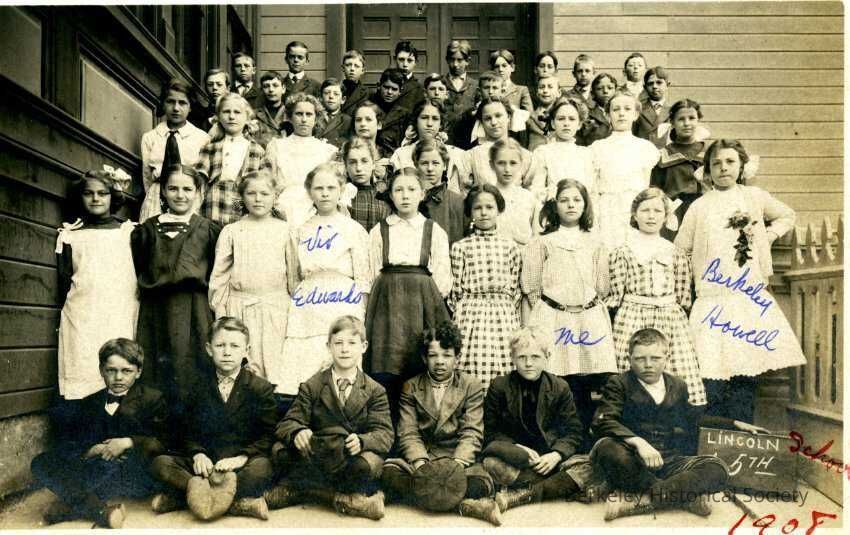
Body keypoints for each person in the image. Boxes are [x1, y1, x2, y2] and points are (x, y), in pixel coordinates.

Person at [674, 139, 805, 422]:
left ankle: (744, 433)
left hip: (746, 298)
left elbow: (787, 215)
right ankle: (716, 436)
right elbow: (681, 248)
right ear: (708, 170)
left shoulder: (754, 197)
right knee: (711, 375)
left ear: (742, 166)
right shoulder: (699, 206)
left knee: (745, 374)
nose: (723, 168)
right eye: (716, 163)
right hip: (712, 298)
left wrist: (768, 236)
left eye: (730, 162)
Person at [590, 328, 769, 521]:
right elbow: (603, 420)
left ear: (667, 358)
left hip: (668, 461)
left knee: (717, 468)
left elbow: (692, 418)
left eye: (655, 358)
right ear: (629, 359)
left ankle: (642, 498)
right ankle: (683, 496)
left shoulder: (677, 385)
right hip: (633, 459)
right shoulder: (619, 383)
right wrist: (638, 442)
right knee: (607, 449)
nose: (648, 365)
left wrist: (735, 423)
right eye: (640, 359)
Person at [265, 316, 393, 520]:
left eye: (352, 343)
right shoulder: (313, 385)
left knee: (364, 466)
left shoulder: (374, 390)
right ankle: (347, 500)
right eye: (338, 343)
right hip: (321, 454)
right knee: (280, 452)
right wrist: (298, 431)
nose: (345, 349)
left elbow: (385, 433)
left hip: (350, 457)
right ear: (329, 347)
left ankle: (302, 491)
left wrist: (362, 441)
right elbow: (287, 422)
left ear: (364, 347)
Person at [149, 317, 277, 521]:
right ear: (209, 349)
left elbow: (267, 435)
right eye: (220, 345)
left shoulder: (260, 388)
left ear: (246, 350)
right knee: (160, 463)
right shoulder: (194, 386)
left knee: (263, 468)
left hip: (239, 466)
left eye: (234, 346)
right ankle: (237, 504)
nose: (227, 352)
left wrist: (241, 458)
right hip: (203, 466)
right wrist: (197, 453)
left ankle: (185, 499)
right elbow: (185, 430)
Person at [31, 338, 166, 529]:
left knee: (86, 478)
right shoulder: (91, 402)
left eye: (126, 371)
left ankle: (72, 506)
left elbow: (163, 441)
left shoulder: (152, 398)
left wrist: (128, 442)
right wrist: (91, 450)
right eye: (111, 370)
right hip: (98, 469)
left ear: (138, 372)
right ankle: (101, 511)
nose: (118, 377)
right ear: (102, 370)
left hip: (132, 471)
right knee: (41, 462)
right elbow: (75, 442)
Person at [522, 179, 617, 440]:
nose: (570, 205)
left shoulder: (596, 243)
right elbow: (531, 285)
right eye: (564, 200)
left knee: (586, 378)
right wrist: (549, 312)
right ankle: (558, 438)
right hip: (554, 317)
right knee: (558, 379)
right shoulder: (542, 243)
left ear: (585, 205)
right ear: (555, 206)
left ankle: (583, 438)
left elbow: (603, 286)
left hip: (588, 317)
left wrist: (583, 307)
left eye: (576, 200)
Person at [382, 321, 501, 526]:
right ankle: (465, 506)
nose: (439, 362)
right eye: (433, 355)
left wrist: (455, 467)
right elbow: (408, 432)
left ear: (457, 358)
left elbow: (472, 432)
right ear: (424, 358)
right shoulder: (411, 386)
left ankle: (428, 497)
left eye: (446, 355)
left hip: (456, 459)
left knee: (480, 483)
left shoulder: (470, 385)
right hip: (425, 457)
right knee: (388, 474)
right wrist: (421, 465)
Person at [279, 162, 371, 404]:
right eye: (319, 188)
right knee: (306, 362)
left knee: (341, 353)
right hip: (308, 303)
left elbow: (363, 277)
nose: (325, 193)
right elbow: (294, 276)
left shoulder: (353, 229)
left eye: (331, 188)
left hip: (342, 299)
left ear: (341, 190)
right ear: (310, 192)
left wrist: (360, 312)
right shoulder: (300, 230)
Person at [131, 165, 221, 411]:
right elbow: (138, 267)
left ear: (198, 192)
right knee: (155, 367)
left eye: (187, 189)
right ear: (162, 191)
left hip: (194, 309)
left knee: (192, 366)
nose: (180, 195)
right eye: (173, 188)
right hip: (156, 309)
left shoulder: (208, 230)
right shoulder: (146, 230)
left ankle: (191, 428)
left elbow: (217, 272)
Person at [364, 168, 452, 420]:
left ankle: (418, 425)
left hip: (422, 303)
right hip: (387, 303)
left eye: (411, 189)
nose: (405, 195)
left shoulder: (433, 230)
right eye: (399, 190)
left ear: (422, 194)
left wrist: (427, 302)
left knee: (419, 362)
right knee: (387, 364)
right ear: (390, 195)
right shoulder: (379, 230)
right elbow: (371, 272)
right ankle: (387, 425)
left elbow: (442, 277)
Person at [608, 188, 706, 406]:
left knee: (675, 365)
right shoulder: (623, 251)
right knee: (633, 364)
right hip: (633, 316)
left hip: (669, 318)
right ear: (634, 215)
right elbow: (615, 296)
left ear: (666, 216)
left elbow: (682, 295)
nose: (651, 216)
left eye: (657, 211)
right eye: (645, 210)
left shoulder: (675, 252)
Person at [482, 326, 590, 514]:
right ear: (512, 358)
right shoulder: (500, 386)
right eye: (522, 357)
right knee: (491, 463)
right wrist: (516, 447)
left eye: (535, 357)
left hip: (551, 459)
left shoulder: (560, 387)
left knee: (590, 465)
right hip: (518, 460)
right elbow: (491, 431)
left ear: (547, 357)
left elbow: (573, 432)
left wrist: (556, 454)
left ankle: (524, 493)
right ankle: (555, 487)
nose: (528, 363)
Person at [55, 169, 139, 402]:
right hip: (82, 313)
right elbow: (64, 279)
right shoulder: (71, 235)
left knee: (118, 361)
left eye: (102, 193)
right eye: (88, 193)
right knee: (84, 363)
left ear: (113, 196)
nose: (95, 198)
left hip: (118, 310)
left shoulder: (128, 232)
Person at [208, 171, 293, 387]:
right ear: (242, 197)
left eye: (264, 193)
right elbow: (220, 276)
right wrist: (221, 312)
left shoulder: (285, 230)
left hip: (276, 308)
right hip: (240, 307)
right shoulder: (232, 231)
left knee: (274, 365)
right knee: (242, 366)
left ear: (275, 196)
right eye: (251, 193)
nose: (258, 199)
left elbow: (294, 275)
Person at [450, 185, 522, 390]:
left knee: (505, 364)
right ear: (470, 212)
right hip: (471, 314)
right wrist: (465, 312)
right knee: (471, 365)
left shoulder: (510, 246)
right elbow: (455, 290)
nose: (483, 213)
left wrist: (506, 309)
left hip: (503, 314)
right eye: (477, 208)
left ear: (499, 210)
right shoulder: (461, 247)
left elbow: (515, 287)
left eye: (489, 207)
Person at [591, 91, 661, 250]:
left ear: (635, 114)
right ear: (608, 115)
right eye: (616, 109)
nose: (621, 113)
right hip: (607, 210)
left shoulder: (645, 148)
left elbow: (646, 186)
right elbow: (594, 189)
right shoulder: (598, 148)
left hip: (635, 210)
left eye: (627, 109)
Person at [140, 79, 210, 222]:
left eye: (182, 103)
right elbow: (147, 177)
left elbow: (203, 180)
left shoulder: (202, 138)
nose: (176, 108)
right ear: (163, 104)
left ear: (190, 107)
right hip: (156, 198)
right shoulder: (150, 137)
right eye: (170, 102)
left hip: (189, 199)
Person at [264, 93, 338, 228]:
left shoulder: (327, 150)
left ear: (316, 118)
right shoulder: (277, 146)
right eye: (299, 114)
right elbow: (269, 183)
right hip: (282, 208)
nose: (304, 119)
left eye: (309, 114)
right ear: (290, 117)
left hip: (315, 209)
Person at [196, 93, 266, 226]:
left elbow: (262, 185)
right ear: (218, 116)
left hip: (241, 204)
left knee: (238, 233)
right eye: (226, 111)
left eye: (237, 112)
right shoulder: (210, 148)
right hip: (213, 204)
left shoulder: (257, 151)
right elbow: (199, 183)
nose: (231, 116)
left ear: (247, 118)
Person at [650, 99, 711, 241]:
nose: (687, 123)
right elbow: (655, 190)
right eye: (681, 119)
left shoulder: (709, 152)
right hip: (674, 214)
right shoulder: (662, 155)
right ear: (672, 122)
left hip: (703, 211)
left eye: (692, 118)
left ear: (698, 120)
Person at [390, 99, 470, 194]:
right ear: (416, 121)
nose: (429, 124)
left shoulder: (456, 154)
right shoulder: (401, 154)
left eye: (435, 119)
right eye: (424, 118)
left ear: (441, 124)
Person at [465, 97, 539, 195]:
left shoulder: (526, 156)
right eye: (488, 118)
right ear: (482, 122)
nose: (494, 122)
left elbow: (533, 193)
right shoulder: (472, 156)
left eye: (498, 116)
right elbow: (464, 192)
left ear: (508, 117)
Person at [534, 97, 594, 200]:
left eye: (572, 119)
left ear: (579, 124)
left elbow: (591, 190)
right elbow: (536, 189)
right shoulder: (543, 152)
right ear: (553, 123)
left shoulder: (586, 153)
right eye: (561, 119)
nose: (566, 123)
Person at [414, 138, 468, 246]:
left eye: (435, 163)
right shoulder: (409, 200)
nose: (430, 168)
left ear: (444, 166)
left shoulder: (457, 202)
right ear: (416, 165)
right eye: (424, 163)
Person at [489, 138, 542, 248]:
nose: (507, 169)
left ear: (521, 164)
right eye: (501, 163)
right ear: (492, 165)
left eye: (513, 163)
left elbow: (536, 237)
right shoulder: (486, 196)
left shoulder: (528, 198)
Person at [343, 137, 392, 231]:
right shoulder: (341, 198)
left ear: (373, 164)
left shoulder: (384, 198)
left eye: (364, 161)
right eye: (352, 162)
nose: (359, 168)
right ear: (346, 166)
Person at [443, 39, 478, 141]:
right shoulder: (440, 84)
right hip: (445, 139)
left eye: (459, 60)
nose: (455, 64)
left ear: (467, 61)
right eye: (452, 60)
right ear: (447, 60)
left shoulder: (476, 86)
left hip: (468, 139)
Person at [370, 68, 411, 152]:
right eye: (386, 87)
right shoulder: (368, 109)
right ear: (379, 86)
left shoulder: (405, 114)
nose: (389, 92)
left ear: (400, 91)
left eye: (394, 89)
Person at [634, 66, 672, 148]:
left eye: (659, 82)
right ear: (645, 87)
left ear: (667, 85)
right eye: (650, 83)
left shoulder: (673, 110)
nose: (654, 86)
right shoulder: (637, 109)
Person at [577, 73, 617, 146]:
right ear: (592, 94)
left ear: (616, 91)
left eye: (610, 88)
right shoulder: (586, 115)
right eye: (600, 88)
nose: (605, 91)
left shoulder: (623, 113)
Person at [254, 71, 289, 148]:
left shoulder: (291, 114)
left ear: (283, 89)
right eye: (266, 86)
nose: (271, 90)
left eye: (275, 85)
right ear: (262, 90)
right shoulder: (254, 115)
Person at [526, 73, 561, 151]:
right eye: (541, 87)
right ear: (537, 93)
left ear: (559, 92)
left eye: (550, 87)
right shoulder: (529, 118)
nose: (545, 91)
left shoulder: (563, 117)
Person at [316, 78, 351, 148]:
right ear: (320, 98)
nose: (331, 96)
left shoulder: (347, 121)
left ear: (343, 100)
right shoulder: (314, 117)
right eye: (326, 93)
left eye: (336, 94)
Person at [393, 40, 426, 111]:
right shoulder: (386, 83)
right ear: (395, 59)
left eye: (409, 60)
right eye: (401, 59)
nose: (405, 64)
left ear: (415, 62)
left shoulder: (419, 89)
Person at [340, 49, 370, 116]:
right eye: (348, 65)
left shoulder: (366, 93)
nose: (352, 69)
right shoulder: (336, 89)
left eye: (356, 66)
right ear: (343, 68)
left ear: (363, 70)